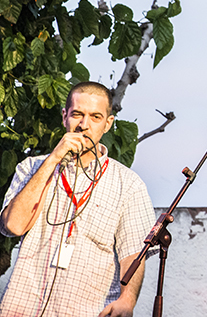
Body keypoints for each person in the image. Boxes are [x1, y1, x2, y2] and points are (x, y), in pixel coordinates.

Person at [0, 82, 156, 317]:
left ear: (108, 124)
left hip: (86, 311)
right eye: (77, 114)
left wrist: (128, 299)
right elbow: (13, 226)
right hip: (21, 308)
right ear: (65, 117)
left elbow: (133, 254)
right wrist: (53, 159)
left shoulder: (129, 184)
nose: (84, 125)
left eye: (95, 117)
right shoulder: (31, 167)